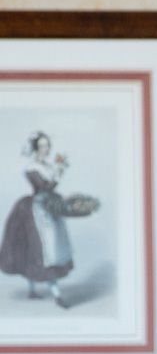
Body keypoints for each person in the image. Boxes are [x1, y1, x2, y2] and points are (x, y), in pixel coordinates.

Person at [0, 131, 98, 308]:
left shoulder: (48, 165)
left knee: (51, 249)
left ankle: (43, 291)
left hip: (51, 206)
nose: (46, 149)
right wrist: (59, 171)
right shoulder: (32, 167)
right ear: (36, 148)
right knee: (39, 250)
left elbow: (52, 188)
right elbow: (44, 186)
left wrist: (66, 194)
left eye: (47, 146)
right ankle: (56, 295)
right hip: (36, 210)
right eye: (42, 146)